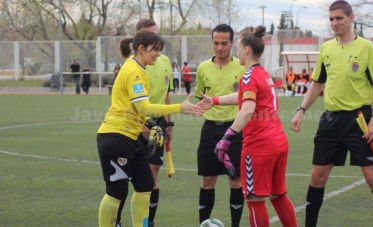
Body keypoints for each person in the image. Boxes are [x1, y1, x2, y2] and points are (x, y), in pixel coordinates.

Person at [290, 1, 373, 226]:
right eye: (331, 19)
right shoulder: (326, 49)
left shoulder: (365, 47)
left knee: (372, 177)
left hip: (361, 119)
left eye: (339, 18)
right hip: (331, 119)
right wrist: (301, 110)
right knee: (317, 177)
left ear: (350, 18)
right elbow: (317, 83)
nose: (334, 23)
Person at [96, 30, 202, 227]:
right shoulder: (134, 71)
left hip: (130, 136)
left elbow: (137, 108)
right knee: (116, 192)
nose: (158, 55)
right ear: (141, 49)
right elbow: (144, 107)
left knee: (145, 185)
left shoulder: (137, 67)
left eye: (160, 51)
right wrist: (180, 107)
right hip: (116, 137)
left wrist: (152, 124)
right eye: (156, 50)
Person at [197, 25, 298, 227]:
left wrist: (226, 139)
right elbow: (245, 96)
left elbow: (247, 110)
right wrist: (215, 100)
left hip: (260, 145)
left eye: (237, 48)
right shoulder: (263, 74)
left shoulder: (248, 76)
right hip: (279, 141)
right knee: (278, 195)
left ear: (246, 50)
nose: (235, 52)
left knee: (254, 199)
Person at [114, 18, 175, 227]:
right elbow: (130, 101)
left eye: (156, 34)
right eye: (151, 35)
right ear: (140, 41)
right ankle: (118, 220)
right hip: (136, 121)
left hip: (158, 120)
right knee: (124, 178)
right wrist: (142, 123)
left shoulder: (163, 60)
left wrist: (170, 124)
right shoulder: (134, 64)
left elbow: (167, 94)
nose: (155, 41)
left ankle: (148, 222)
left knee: (152, 175)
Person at [194, 24, 246, 227]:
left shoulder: (242, 68)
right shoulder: (202, 68)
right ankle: (203, 224)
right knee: (208, 180)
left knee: (235, 180)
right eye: (216, 43)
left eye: (224, 43)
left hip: (234, 130)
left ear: (232, 43)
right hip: (209, 130)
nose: (220, 47)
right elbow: (201, 97)